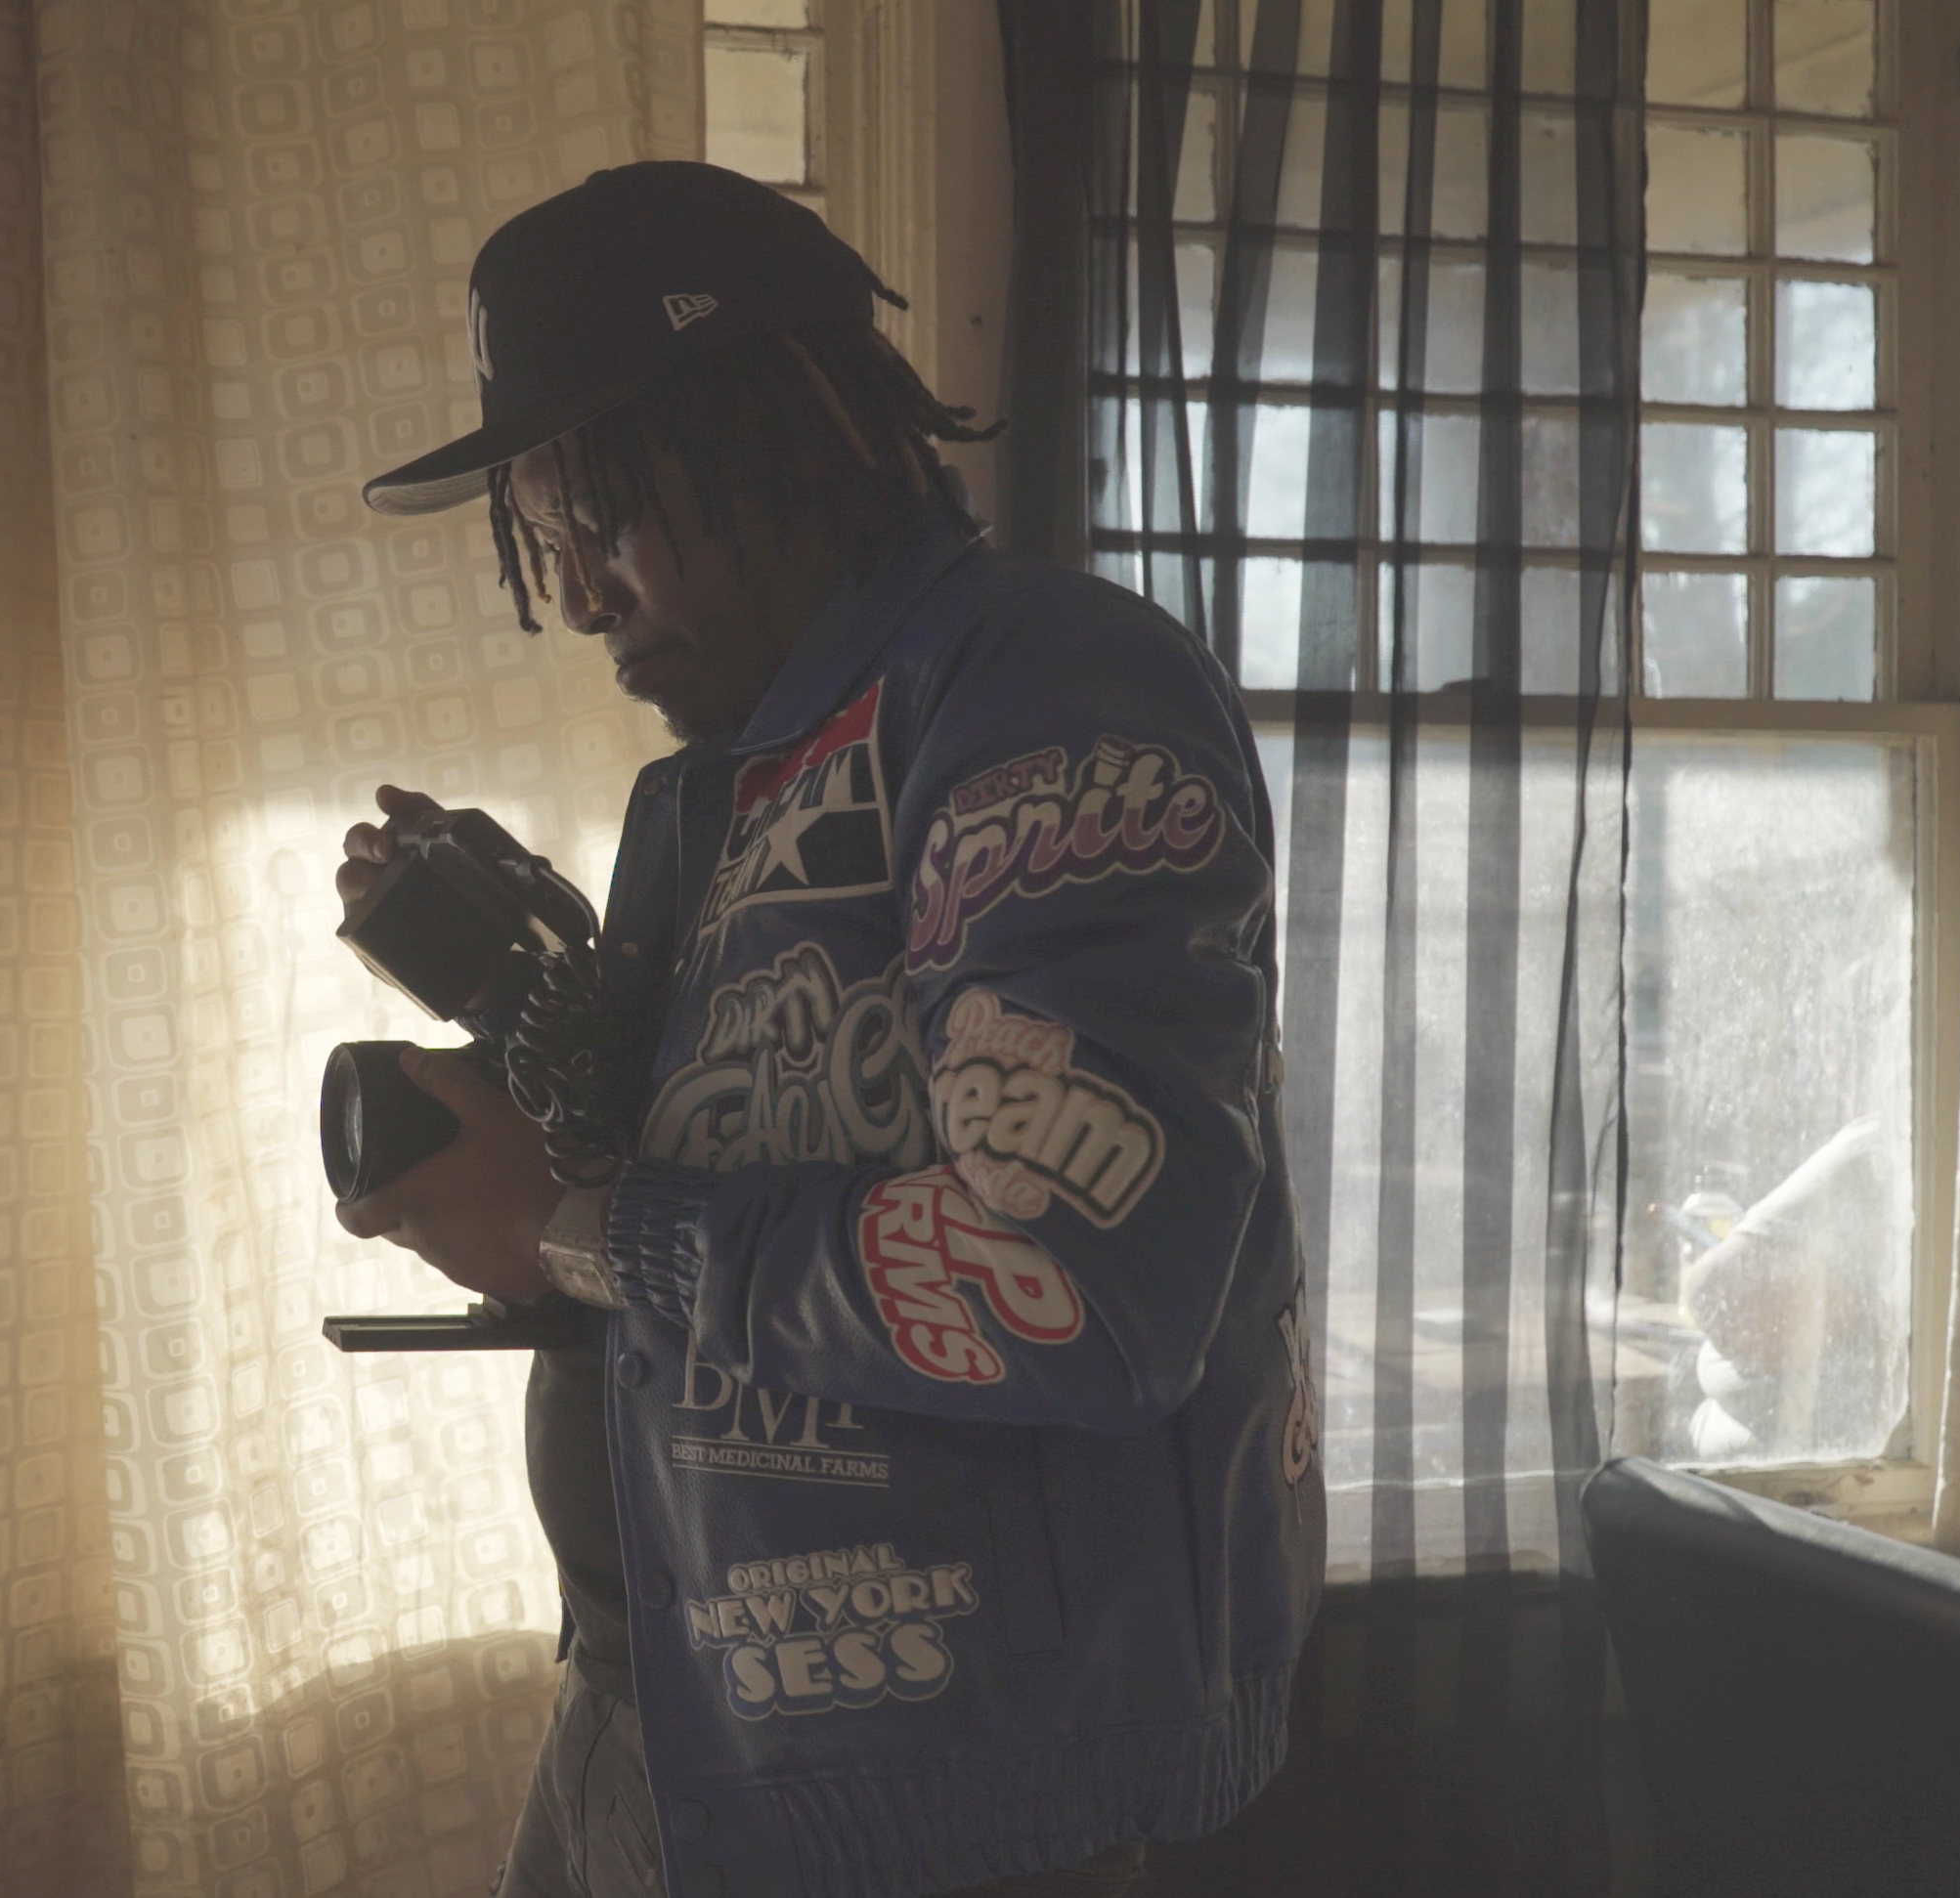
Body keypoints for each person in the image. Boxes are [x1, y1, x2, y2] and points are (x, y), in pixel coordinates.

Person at [330, 162, 1322, 1898]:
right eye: (546, 545)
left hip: (957, 1792)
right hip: (673, 1708)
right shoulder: (731, 778)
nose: (578, 595)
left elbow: (1075, 1279)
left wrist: (568, 1229)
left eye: (597, 517)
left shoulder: (1039, 696)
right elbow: (745, 1137)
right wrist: (519, 986)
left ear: (774, 432)